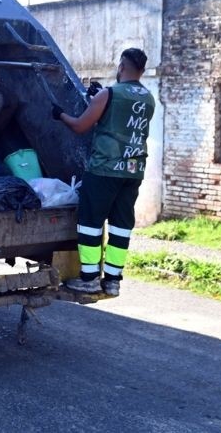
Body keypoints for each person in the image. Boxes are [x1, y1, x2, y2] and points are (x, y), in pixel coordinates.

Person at [51, 48, 155, 297]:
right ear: (141, 70)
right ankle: (113, 280)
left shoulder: (110, 94)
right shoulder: (148, 98)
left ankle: (88, 278)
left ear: (121, 66)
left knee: (90, 223)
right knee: (121, 225)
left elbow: (80, 125)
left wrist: (60, 115)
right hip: (133, 171)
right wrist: (99, 97)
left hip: (105, 170)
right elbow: (121, 117)